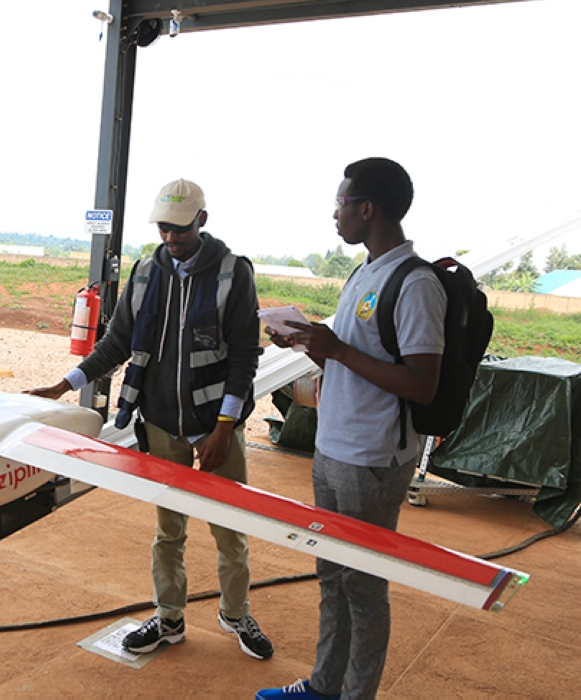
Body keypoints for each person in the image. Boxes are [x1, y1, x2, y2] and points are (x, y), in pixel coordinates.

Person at [27, 179, 273, 661]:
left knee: (229, 527)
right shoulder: (145, 274)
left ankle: (236, 612)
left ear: (202, 221)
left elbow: (245, 355)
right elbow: (117, 343)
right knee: (169, 530)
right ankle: (169, 616)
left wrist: (224, 427)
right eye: (163, 227)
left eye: (179, 228)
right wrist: (65, 384)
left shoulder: (231, 274)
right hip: (160, 423)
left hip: (215, 427)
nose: (171, 238)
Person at [256, 158, 446, 700]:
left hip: (373, 459)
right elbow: (355, 356)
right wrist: (311, 342)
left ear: (368, 209)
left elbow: (422, 384)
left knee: (363, 588)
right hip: (334, 448)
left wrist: (336, 349)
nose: (335, 214)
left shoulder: (415, 284)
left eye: (340, 203)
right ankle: (322, 686)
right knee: (333, 577)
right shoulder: (366, 273)